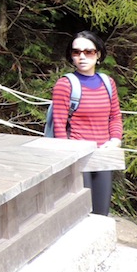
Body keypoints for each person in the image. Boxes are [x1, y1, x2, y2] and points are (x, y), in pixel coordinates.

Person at [51, 31, 122, 216]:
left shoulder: (108, 83)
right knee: (80, 214)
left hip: (102, 155)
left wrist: (115, 139)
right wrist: (68, 158)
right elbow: (59, 125)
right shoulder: (65, 85)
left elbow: (115, 116)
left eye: (88, 52)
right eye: (76, 52)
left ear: (98, 54)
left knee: (101, 212)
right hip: (77, 157)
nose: (82, 57)